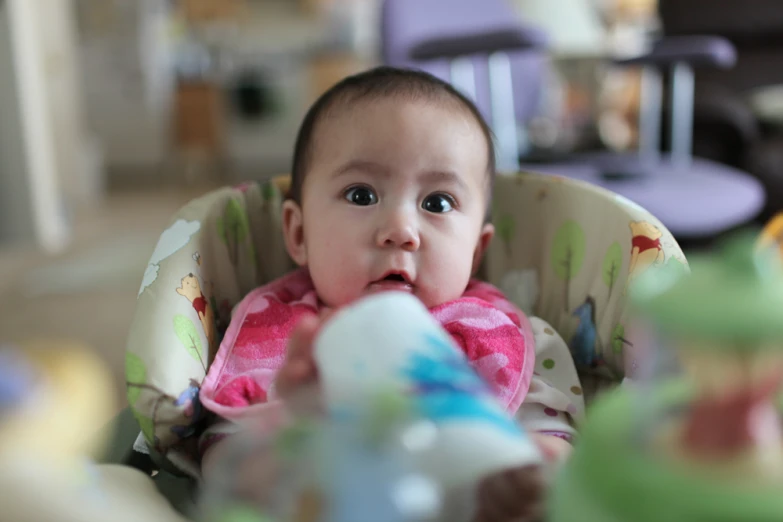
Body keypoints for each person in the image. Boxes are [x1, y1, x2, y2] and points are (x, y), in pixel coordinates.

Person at [198, 66, 578, 521]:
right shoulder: (280, 338)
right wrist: (302, 422)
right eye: (361, 195)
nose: (401, 230)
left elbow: (556, 457)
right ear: (298, 234)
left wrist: (527, 475)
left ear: (476, 252)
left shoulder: (505, 334)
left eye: (437, 203)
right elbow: (223, 472)